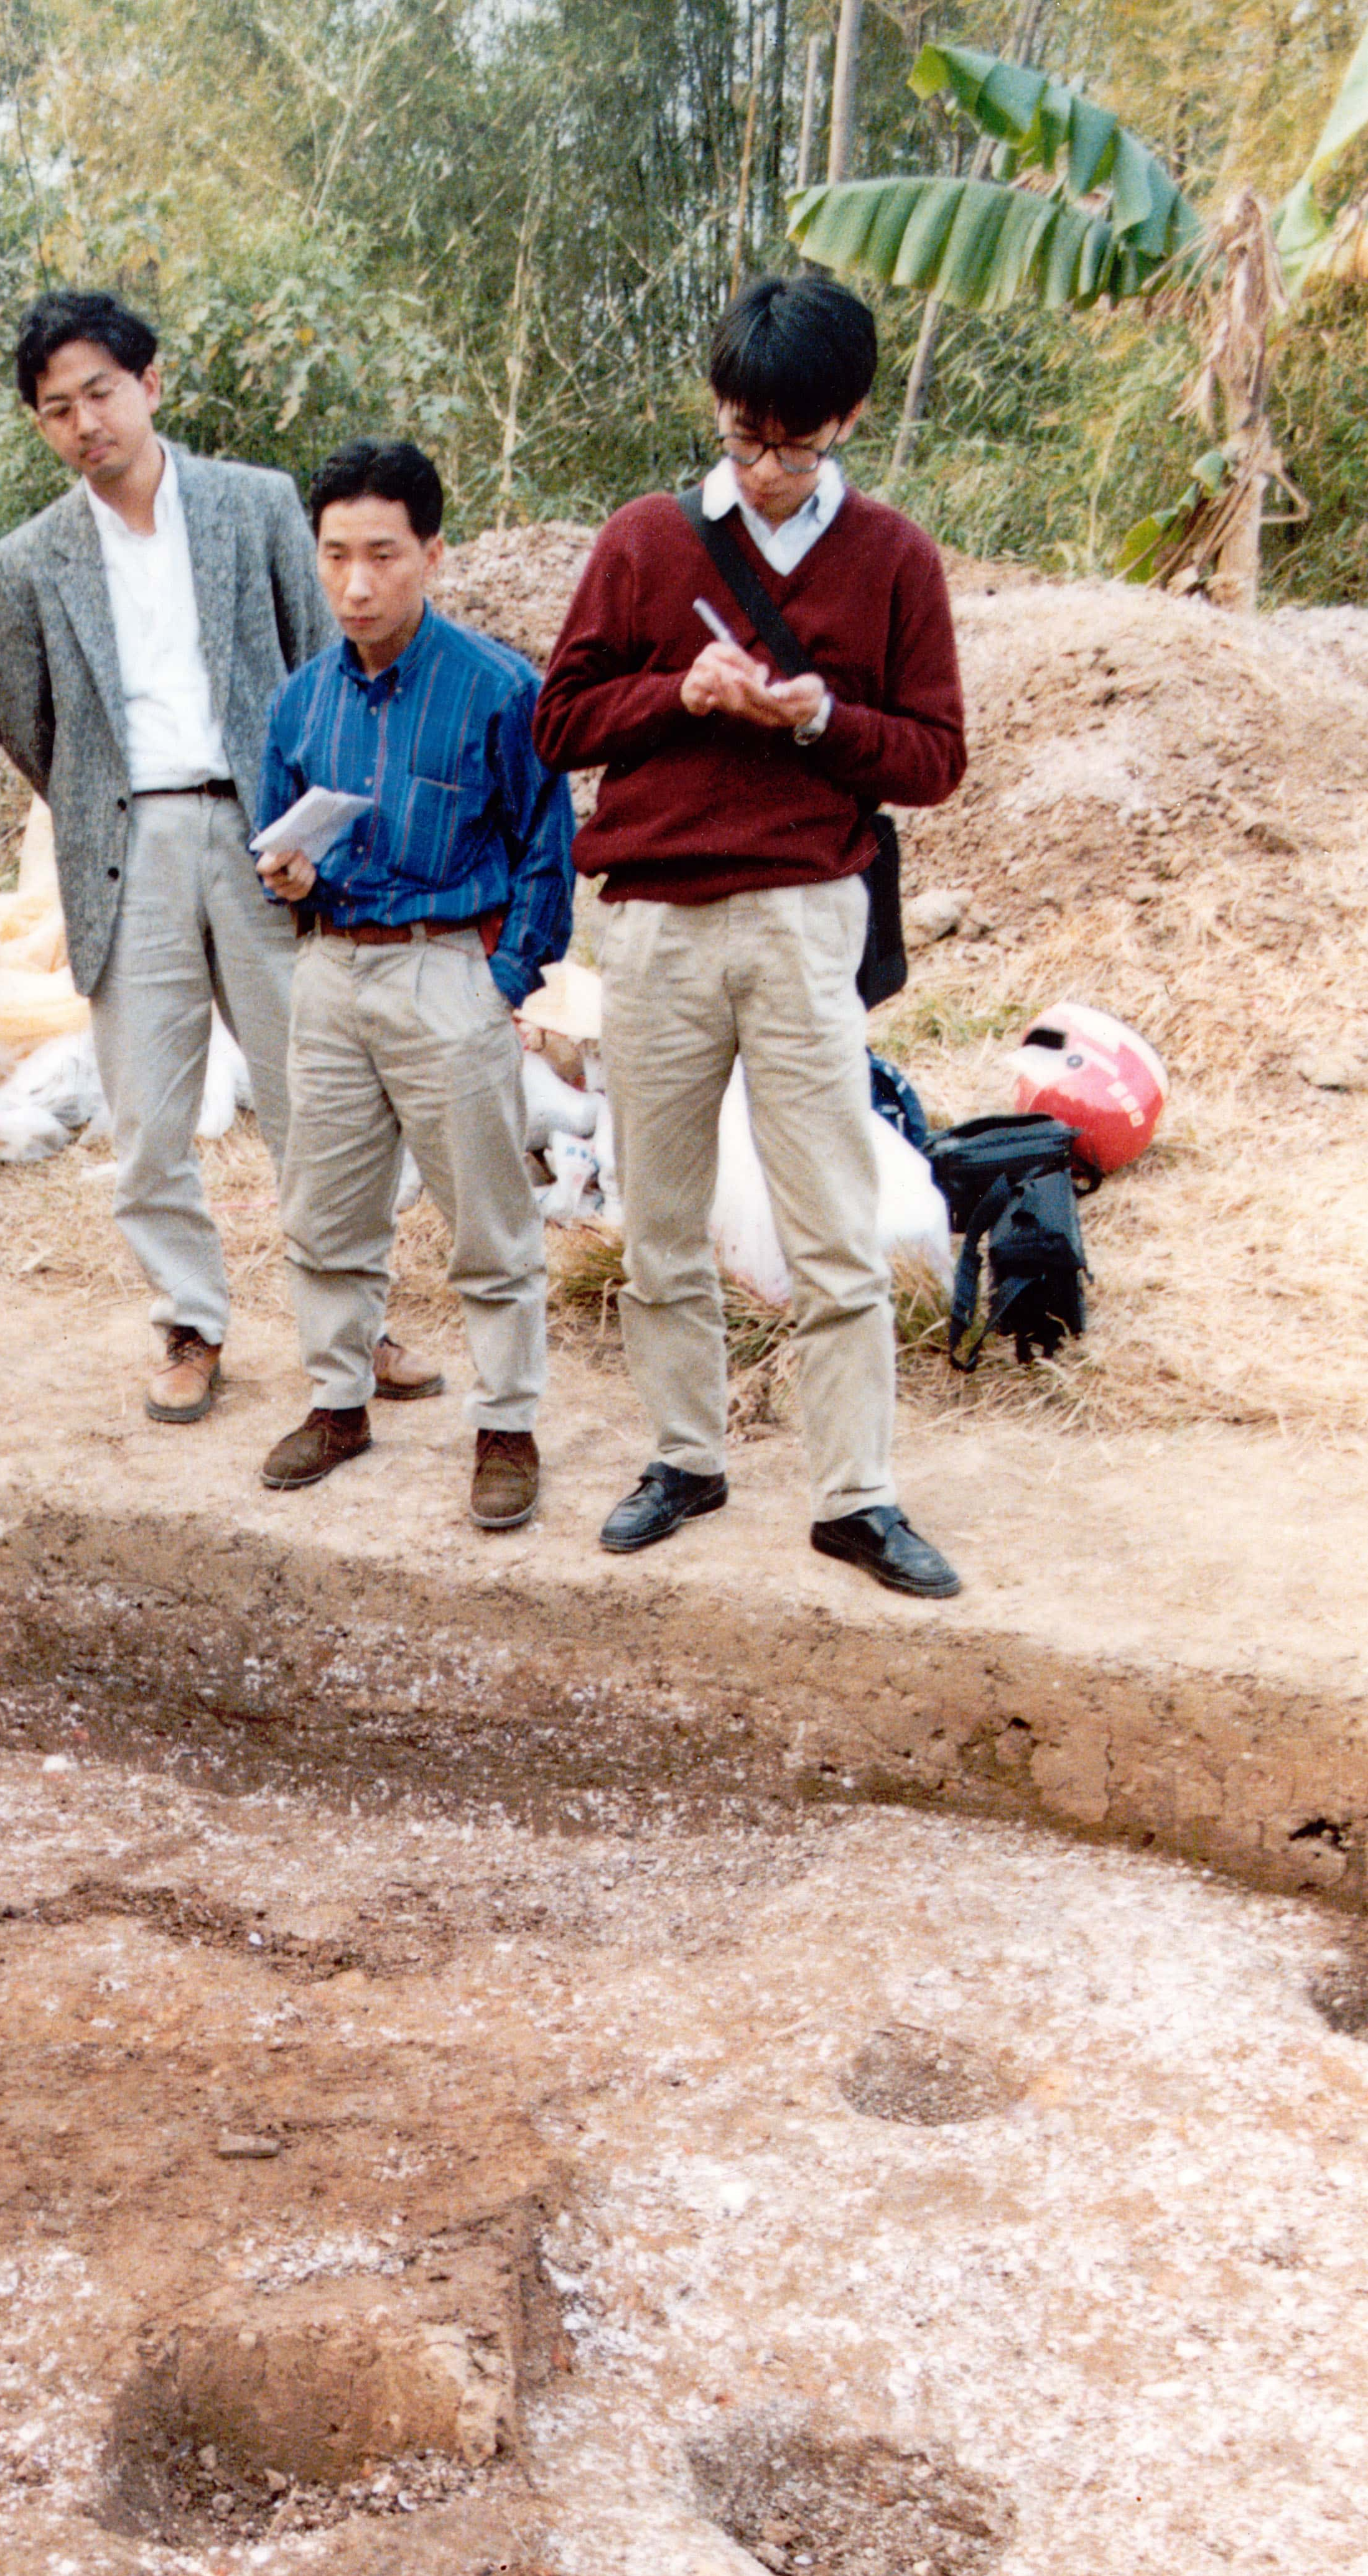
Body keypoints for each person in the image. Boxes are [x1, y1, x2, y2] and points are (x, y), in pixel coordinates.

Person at [534, 270, 969, 1597]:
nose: (767, 469)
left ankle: (855, 1494)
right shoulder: (641, 542)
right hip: (655, 923)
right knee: (657, 1216)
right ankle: (684, 1457)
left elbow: (937, 757)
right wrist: (680, 691)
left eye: (794, 442)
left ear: (845, 417)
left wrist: (816, 719)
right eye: (742, 437)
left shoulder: (894, 557)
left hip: (800, 918)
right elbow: (559, 722)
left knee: (830, 1223)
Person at [0, 291, 441, 1425]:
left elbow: (315, 655)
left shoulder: (257, 504)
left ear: (152, 384)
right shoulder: (27, 561)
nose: (85, 422)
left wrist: (305, 823)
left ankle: (354, 1320)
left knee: (316, 1093)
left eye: (100, 391)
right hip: (126, 845)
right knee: (146, 1114)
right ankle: (190, 1321)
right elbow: (29, 724)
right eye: (56, 409)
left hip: (262, 833)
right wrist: (105, 811)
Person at [251, 440, 575, 1527]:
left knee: (486, 1215)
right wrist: (291, 881)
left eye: (382, 554)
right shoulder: (298, 705)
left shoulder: (498, 689)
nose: (356, 583)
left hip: (450, 966)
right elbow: (275, 854)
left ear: (432, 552)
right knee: (325, 1207)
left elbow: (546, 846)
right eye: (335, 555)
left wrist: (505, 977)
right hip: (333, 967)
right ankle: (339, 1401)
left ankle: (506, 1423)